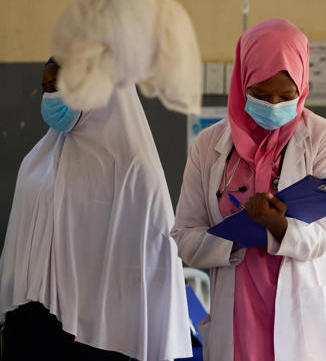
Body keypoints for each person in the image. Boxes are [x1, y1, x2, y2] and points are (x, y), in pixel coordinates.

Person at [172, 18, 326, 361]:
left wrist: (277, 226)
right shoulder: (209, 145)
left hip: (305, 305)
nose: (274, 105)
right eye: (260, 94)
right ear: (241, 82)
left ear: (302, 87)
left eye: (286, 96)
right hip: (238, 307)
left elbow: (323, 235)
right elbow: (185, 237)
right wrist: (237, 234)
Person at [0, 59, 191, 361]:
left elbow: (156, 251)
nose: (51, 98)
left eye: (61, 88)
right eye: (46, 89)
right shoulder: (37, 161)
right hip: (34, 324)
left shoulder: (134, 169)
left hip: (103, 332)